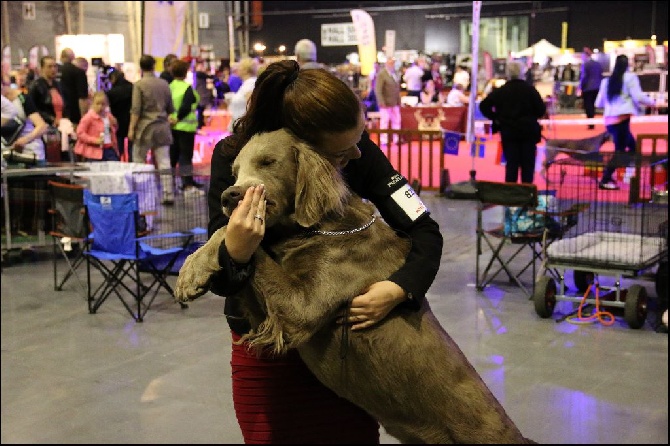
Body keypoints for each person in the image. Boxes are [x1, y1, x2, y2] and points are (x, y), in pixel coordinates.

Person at [206, 59, 443, 443]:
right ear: (303, 148)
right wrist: (236, 250)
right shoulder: (234, 157)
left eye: (358, 139)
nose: (356, 155)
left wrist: (401, 288)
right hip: (269, 347)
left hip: (344, 348)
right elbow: (221, 281)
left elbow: (423, 229)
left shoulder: (356, 151)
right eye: (340, 152)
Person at [594, 54, 657, 190]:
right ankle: (605, 179)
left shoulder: (607, 81)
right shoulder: (630, 78)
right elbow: (638, 96)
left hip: (609, 121)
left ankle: (624, 174)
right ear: (627, 64)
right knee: (621, 151)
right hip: (622, 120)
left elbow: (598, 102)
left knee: (633, 147)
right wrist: (653, 102)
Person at [479, 61, 546, 184]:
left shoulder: (501, 91)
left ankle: (511, 195)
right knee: (528, 166)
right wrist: (531, 117)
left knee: (511, 165)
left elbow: (484, 106)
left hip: (508, 131)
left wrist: (496, 118)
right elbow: (541, 110)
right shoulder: (530, 90)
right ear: (522, 73)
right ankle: (526, 195)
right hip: (528, 132)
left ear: (507, 74)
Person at [128, 54, 175, 205]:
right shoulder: (164, 84)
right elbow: (170, 108)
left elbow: (136, 110)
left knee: (139, 162)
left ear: (141, 67)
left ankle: (144, 194)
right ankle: (168, 194)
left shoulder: (139, 85)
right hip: (162, 128)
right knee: (164, 162)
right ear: (154, 66)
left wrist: (131, 129)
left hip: (144, 129)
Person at [168, 59, 203, 194]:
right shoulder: (187, 88)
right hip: (186, 128)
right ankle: (187, 183)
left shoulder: (170, 86)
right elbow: (186, 107)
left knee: (173, 156)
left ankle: (170, 185)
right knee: (186, 157)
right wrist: (178, 119)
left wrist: (173, 119)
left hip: (172, 126)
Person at [1, 74, 48, 161]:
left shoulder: (22, 98)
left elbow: (42, 126)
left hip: (30, 152)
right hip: (7, 154)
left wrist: (25, 139)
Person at [74, 91, 119, 161]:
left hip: (109, 149)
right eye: (97, 104)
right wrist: (95, 140)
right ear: (92, 104)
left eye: (103, 104)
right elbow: (80, 133)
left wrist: (115, 124)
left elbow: (113, 131)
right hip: (93, 153)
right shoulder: (88, 117)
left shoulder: (108, 116)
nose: (100, 107)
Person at [106, 70, 134, 161]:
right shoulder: (133, 88)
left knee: (118, 150)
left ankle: (118, 167)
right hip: (132, 122)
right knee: (132, 151)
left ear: (113, 79)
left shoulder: (111, 92)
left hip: (117, 123)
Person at [374, 57, 401, 146]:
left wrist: (399, 101)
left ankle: (396, 139)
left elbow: (397, 89)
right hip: (385, 103)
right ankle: (384, 140)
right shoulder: (382, 74)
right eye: (390, 63)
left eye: (393, 63)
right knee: (384, 122)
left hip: (395, 103)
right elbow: (378, 89)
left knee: (397, 121)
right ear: (386, 64)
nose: (392, 65)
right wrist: (381, 102)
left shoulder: (395, 73)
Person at [59, 48, 89, 128]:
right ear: (72, 58)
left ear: (61, 57)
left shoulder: (56, 72)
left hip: (57, 115)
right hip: (74, 115)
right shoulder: (79, 73)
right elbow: (82, 98)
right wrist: (84, 118)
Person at [226, 57, 258, 132]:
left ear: (245, 70)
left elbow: (251, 106)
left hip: (244, 128)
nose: (237, 69)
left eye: (240, 66)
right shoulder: (247, 84)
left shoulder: (250, 84)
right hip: (241, 126)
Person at [580, 48, 604, 130]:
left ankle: (591, 123)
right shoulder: (598, 64)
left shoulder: (585, 64)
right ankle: (592, 121)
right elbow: (600, 75)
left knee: (588, 105)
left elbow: (584, 77)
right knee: (593, 105)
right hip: (597, 87)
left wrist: (581, 87)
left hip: (587, 88)